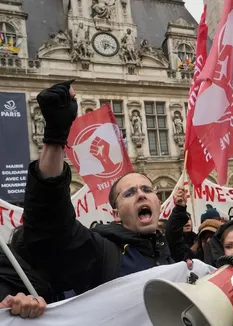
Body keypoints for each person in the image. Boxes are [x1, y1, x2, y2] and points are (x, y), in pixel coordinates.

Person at [20, 81, 174, 299]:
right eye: (129, 193)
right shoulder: (102, 254)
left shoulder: (172, 255)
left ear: (158, 201)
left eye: (146, 189)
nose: (140, 194)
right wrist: (55, 137)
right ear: (115, 213)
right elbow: (51, 223)